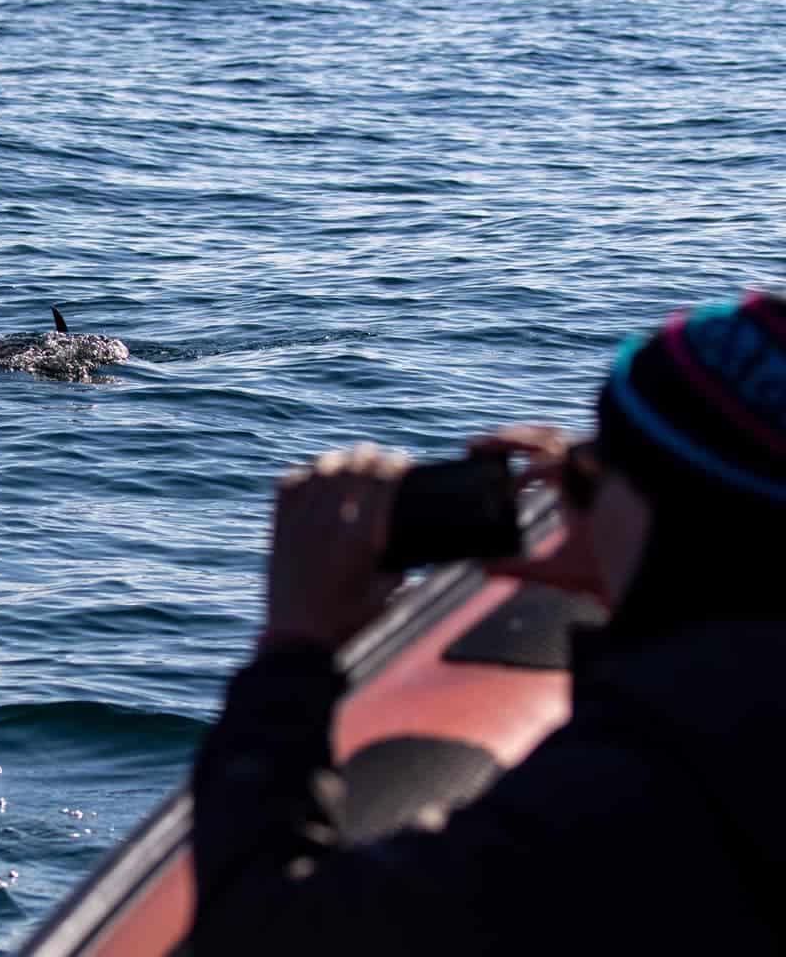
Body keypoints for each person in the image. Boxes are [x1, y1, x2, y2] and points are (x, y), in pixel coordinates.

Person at [190, 291, 786, 954]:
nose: (572, 480)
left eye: (599, 465)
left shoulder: (628, 799)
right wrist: (623, 571)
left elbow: (258, 934)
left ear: (681, 521)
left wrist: (295, 649)